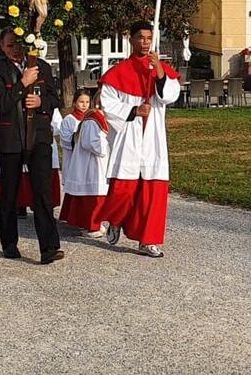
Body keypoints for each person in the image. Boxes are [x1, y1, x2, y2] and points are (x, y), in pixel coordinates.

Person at [98, 20, 181, 258]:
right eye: (140, 38)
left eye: (148, 38)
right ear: (131, 40)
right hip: (130, 136)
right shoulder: (118, 72)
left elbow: (169, 96)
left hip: (153, 138)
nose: (145, 42)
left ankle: (149, 240)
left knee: (152, 192)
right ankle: (115, 219)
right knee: (123, 190)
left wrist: (160, 71)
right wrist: (134, 110)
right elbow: (108, 102)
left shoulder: (160, 68)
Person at [0, 27, 63, 264]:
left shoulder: (42, 66)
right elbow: (0, 103)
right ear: (2, 47)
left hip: (38, 137)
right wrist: (22, 84)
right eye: (10, 46)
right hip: (11, 138)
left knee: (42, 192)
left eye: (18, 44)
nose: (15, 49)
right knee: (9, 193)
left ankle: (49, 247)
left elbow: (55, 99)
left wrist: (41, 102)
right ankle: (9, 244)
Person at [58, 91, 109, 237]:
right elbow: (90, 142)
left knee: (86, 193)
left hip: (89, 161)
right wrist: (107, 145)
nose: (84, 105)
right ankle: (91, 225)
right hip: (88, 162)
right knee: (91, 194)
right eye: (81, 102)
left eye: (87, 102)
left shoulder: (95, 118)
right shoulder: (92, 120)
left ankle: (89, 222)